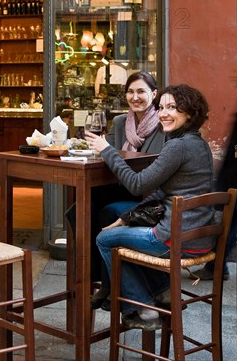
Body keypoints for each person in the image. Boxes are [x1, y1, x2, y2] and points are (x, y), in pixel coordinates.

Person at [86, 84, 215, 331]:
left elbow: (136, 184)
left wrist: (107, 151)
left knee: (105, 239)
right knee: (115, 217)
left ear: (189, 113)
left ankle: (139, 307)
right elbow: (161, 191)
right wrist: (127, 217)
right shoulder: (198, 143)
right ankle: (162, 291)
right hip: (198, 236)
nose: (164, 114)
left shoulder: (177, 146)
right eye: (162, 108)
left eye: (173, 108)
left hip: (174, 240)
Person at [65, 72, 165, 308]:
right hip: (122, 186)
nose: (135, 97)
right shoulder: (121, 122)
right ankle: (94, 277)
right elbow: (107, 155)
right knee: (79, 209)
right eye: (130, 92)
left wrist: (107, 150)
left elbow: (153, 172)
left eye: (141, 91)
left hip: (148, 195)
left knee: (107, 213)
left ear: (154, 94)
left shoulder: (164, 124)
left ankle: (111, 285)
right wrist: (95, 148)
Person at [189, 114, 237, 281]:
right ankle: (216, 265)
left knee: (232, 221)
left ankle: (215, 265)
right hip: (235, 174)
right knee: (231, 221)